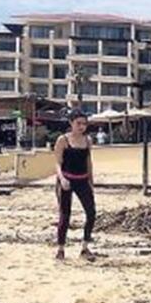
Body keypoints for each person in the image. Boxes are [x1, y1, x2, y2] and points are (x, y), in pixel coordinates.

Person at [54, 110, 96, 261]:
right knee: (65, 215)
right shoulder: (63, 140)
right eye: (78, 123)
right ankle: (60, 249)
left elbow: (88, 162)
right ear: (71, 123)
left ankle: (85, 247)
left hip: (82, 180)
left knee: (91, 212)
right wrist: (62, 179)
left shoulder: (87, 140)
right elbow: (57, 163)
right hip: (66, 180)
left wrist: (91, 183)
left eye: (84, 123)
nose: (82, 127)